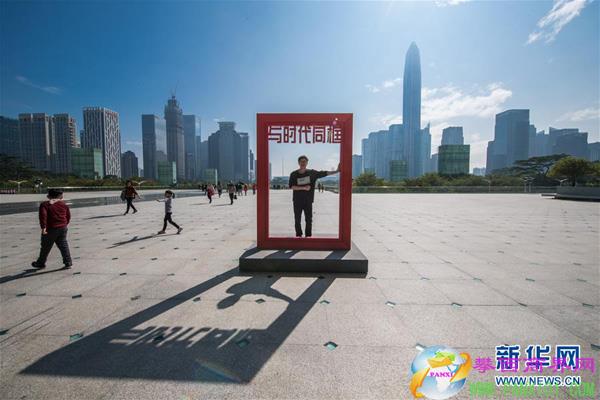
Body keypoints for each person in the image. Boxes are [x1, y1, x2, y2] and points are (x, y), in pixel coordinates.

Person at [289, 155, 340, 237]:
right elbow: (291, 186)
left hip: (308, 200)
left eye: (304, 161)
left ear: (307, 163)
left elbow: (324, 173)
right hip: (297, 201)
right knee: (297, 219)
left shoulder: (312, 173)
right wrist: (303, 188)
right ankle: (298, 235)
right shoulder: (293, 174)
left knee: (309, 219)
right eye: (301, 161)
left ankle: (308, 236)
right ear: (298, 163)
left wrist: (337, 171)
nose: (303, 163)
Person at [31, 189, 72, 269]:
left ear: (48, 196)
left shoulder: (45, 205)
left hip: (51, 229)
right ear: (60, 196)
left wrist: (43, 227)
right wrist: (64, 224)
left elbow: (43, 216)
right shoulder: (63, 204)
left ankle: (41, 263)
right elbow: (68, 216)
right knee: (63, 245)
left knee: (45, 247)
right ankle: (68, 262)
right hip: (62, 228)